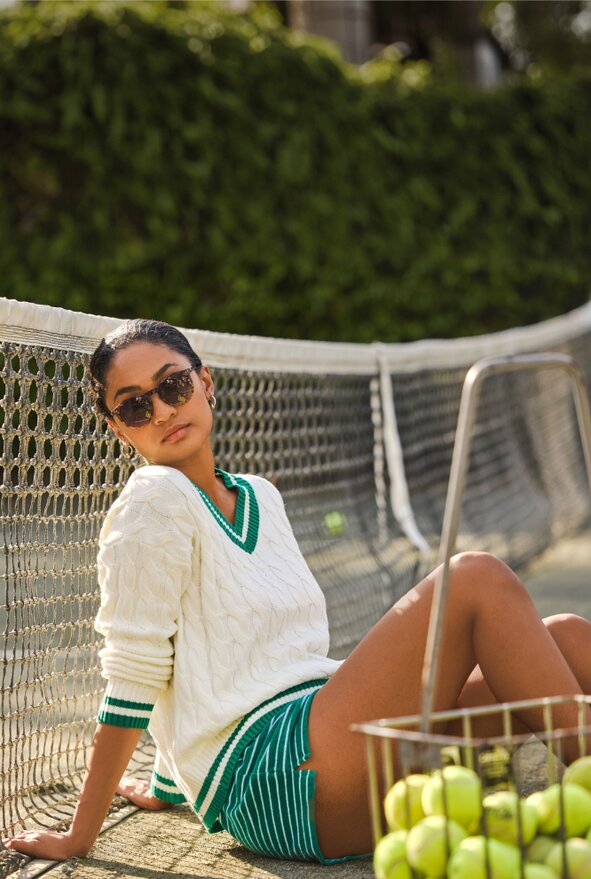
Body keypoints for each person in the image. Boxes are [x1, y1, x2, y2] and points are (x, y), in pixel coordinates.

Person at [4, 319, 591, 864]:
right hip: (282, 775)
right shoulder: (152, 499)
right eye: (134, 406)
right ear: (117, 427)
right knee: (476, 578)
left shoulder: (263, 497)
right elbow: (137, 668)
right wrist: (80, 835)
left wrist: (166, 781)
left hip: (332, 736)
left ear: (205, 382)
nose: (160, 411)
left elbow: (212, 656)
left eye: (173, 386)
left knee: (567, 636)